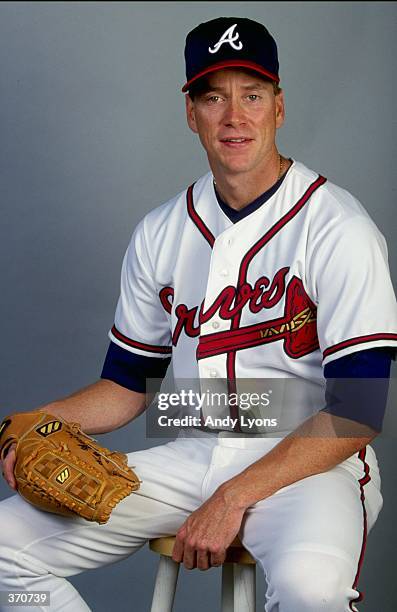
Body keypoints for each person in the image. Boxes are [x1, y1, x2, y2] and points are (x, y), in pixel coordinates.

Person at [1, 16, 397, 612]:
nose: (234, 117)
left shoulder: (338, 228)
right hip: (189, 456)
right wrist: (32, 420)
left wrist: (234, 496)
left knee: (312, 594)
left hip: (306, 468)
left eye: (252, 95)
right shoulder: (160, 231)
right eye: (214, 97)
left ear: (279, 107)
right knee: (5, 549)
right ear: (192, 114)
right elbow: (128, 386)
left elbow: (359, 412)